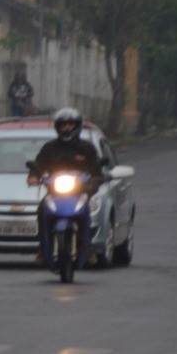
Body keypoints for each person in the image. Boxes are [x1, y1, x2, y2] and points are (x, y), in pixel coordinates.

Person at [26, 107, 107, 271]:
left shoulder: (87, 148)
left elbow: (97, 171)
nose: (67, 128)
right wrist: (34, 176)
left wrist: (95, 181)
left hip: (80, 193)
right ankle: (42, 249)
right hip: (55, 193)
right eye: (63, 125)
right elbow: (38, 166)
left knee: (87, 211)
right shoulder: (50, 148)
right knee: (42, 209)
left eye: (70, 124)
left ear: (77, 126)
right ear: (57, 127)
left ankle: (88, 249)